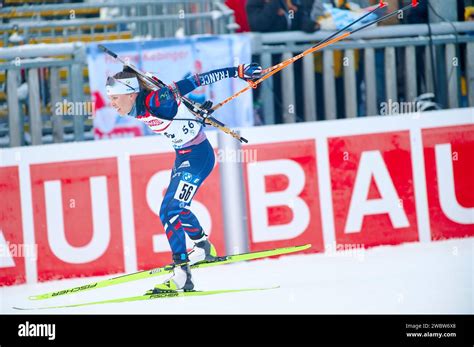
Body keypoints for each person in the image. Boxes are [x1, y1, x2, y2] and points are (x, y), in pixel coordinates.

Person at [105, 62, 262, 292]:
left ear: (130, 94)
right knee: (177, 208)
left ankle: (181, 274)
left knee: (168, 211)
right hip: (184, 156)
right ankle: (202, 247)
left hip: (197, 158)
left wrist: (237, 72)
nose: (112, 104)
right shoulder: (139, 105)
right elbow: (180, 111)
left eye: (116, 98)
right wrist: (195, 111)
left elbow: (197, 80)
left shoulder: (156, 100)